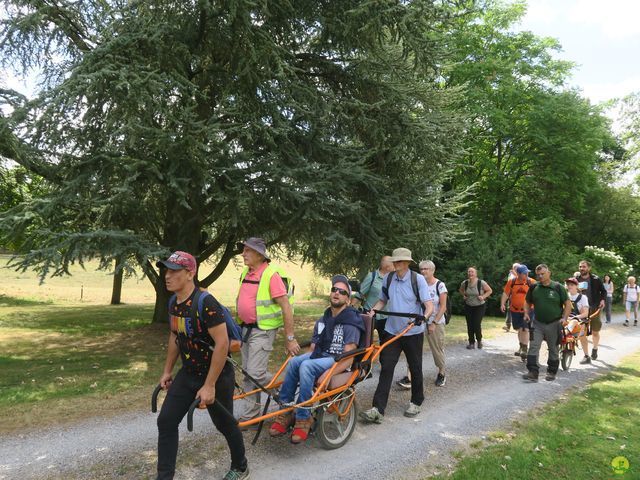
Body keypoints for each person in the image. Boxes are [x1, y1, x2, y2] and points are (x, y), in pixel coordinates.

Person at [155, 251, 249, 480]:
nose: (167, 276)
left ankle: (241, 466)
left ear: (190, 273)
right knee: (166, 421)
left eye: (174, 271)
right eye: (166, 270)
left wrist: (209, 385)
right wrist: (167, 370)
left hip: (217, 374)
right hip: (189, 372)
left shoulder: (206, 303)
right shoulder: (173, 303)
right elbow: (175, 336)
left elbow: (222, 343)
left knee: (224, 423)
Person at [268, 275, 364, 444]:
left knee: (306, 366)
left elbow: (350, 357)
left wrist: (329, 372)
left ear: (348, 300)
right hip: (321, 355)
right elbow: (314, 348)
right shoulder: (324, 319)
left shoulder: (351, 322)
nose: (336, 293)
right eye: (334, 289)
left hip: (336, 360)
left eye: (342, 292)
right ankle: (286, 410)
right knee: (294, 362)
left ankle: (304, 418)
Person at [359, 248, 434, 423]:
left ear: (407, 263)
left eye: (400, 261)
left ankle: (416, 401)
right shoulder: (389, 278)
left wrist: (423, 318)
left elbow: (428, 305)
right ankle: (378, 409)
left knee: (415, 368)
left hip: (412, 331)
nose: (397, 264)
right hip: (392, 330)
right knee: (386, 367)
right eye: (395, 261)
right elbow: (382, 300)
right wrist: (372, 311)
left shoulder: (418, 279)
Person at [236, 237, 299, 423]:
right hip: (245, 330)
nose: (243, 254)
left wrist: (290, 337)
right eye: (244, 250)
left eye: (247, 251)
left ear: (259, 254)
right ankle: (251, 418)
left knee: (256, 374)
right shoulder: (246, 273)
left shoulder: (270, 275)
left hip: (262, 332)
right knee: (248, 374)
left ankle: (284, 393)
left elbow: (286, 306)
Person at [523, 264, 572, 382]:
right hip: (537, 323)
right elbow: (527, 301)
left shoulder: (558, 287)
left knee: (553, 348)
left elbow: (568, 304)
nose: (540, 276)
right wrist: (526, 313)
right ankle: (532, 372)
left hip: (554, 323)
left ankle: (551, 372)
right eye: (538, 274)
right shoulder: (534, 287)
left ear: (549, 273)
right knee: (533, 347)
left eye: (542, 274)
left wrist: (564, 318)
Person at [500, 264, 535, 360]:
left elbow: (538, 294)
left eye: (527, 273)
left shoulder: (531, 282)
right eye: (524, 273)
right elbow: (505, 293)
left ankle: (524, 349)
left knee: (525, 328)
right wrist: (502, 304)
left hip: (528, 310)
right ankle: (521, 347)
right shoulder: (512, 282)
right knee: (519, 329)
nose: (527, 275)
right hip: (514, 310)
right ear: (518, 274)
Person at [575, 260, 607, 362]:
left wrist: (602, 300)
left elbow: (603, 291)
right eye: (580, 266)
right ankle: (586, 356)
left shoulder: (595, 279)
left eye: (584, 267)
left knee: (595, 332)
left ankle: (595, 348)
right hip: (581, 309)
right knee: (582, 333)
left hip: (594, 308)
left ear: (589, 268)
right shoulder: (576, 279)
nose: (581, 268)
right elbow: (570, 290)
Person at [359, 256, 395, 338]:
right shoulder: (372, 276)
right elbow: (360, 293)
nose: (395, 267)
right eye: (393, 265)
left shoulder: (393, 279)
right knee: (365, 340)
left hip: (385, 317)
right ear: (387, 267)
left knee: (385, 342)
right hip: (369, 314)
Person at [459, 267, 493, 349]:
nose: (470, 273)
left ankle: (479, 340)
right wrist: (464, 295)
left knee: (476, 324)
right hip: (468, 306)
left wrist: (483, 296)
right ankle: (471, 342)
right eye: (469, 272)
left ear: (476, 274)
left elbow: (489, 290)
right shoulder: (465, 283)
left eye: (472, 272)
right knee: (470, 324)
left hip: (479, 306)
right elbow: (460, 290)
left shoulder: (481, 283)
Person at [502, 263, 520, 332]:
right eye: (514, 267)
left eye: (517, 267)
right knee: (509, 309)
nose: (515, 268)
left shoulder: (522, 273)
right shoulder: (510, 274)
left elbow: (521, 279)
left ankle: (519, 326)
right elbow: (509, 284)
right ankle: (508, 325)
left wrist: (515, 274)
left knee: (519, 310)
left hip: (520, 295)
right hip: (511, 294)